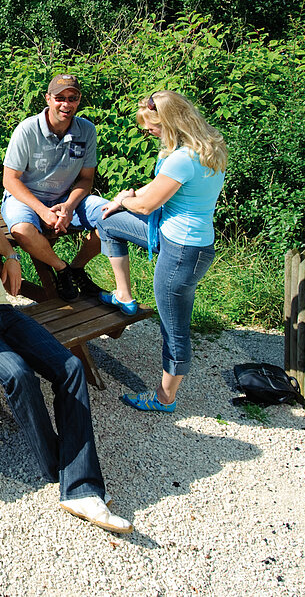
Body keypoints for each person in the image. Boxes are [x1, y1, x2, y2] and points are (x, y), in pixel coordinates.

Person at [0, 158, 131, 533]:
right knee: (17, 373)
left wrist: (12, 257)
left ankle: (75, 483)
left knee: (71, 368)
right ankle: (62, 468)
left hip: (5, 309)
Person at [96, 90, 227, 413]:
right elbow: (155, 190)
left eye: (151, 126)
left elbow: (145, 204)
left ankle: (164, 397)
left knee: (174, 326)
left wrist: (124, 199)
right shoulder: (208, 148)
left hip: (182, 251)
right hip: (181, 239)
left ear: (168, 122)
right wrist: (124, 198)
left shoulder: (183, 159)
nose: (148, 132)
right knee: (107, 221)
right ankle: (123, 294)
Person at [2, 73, 107, 303]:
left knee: (112, 217)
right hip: (25, 199)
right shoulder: (27, 130)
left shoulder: (87, 130)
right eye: (60, 98)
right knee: (22, 230)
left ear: (79, 101)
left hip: (66, 199)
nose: (66, 104)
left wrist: (69, 206)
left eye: (73, 98)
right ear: (48, 98)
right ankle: (62, 269)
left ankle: (77, 268)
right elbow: (10, 180)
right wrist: (42, 211)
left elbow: (86, 179)